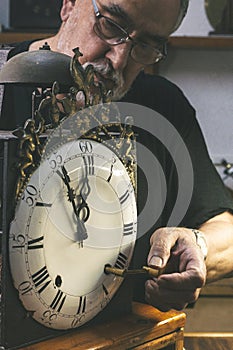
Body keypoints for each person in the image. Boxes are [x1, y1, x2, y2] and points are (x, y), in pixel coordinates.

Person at [1, 0, 233, 312]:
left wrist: (198, 247)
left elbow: (226, 230)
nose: (120, 58)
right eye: (110, 24)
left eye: (147, 45)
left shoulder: (163, 107)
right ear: (69, 4)